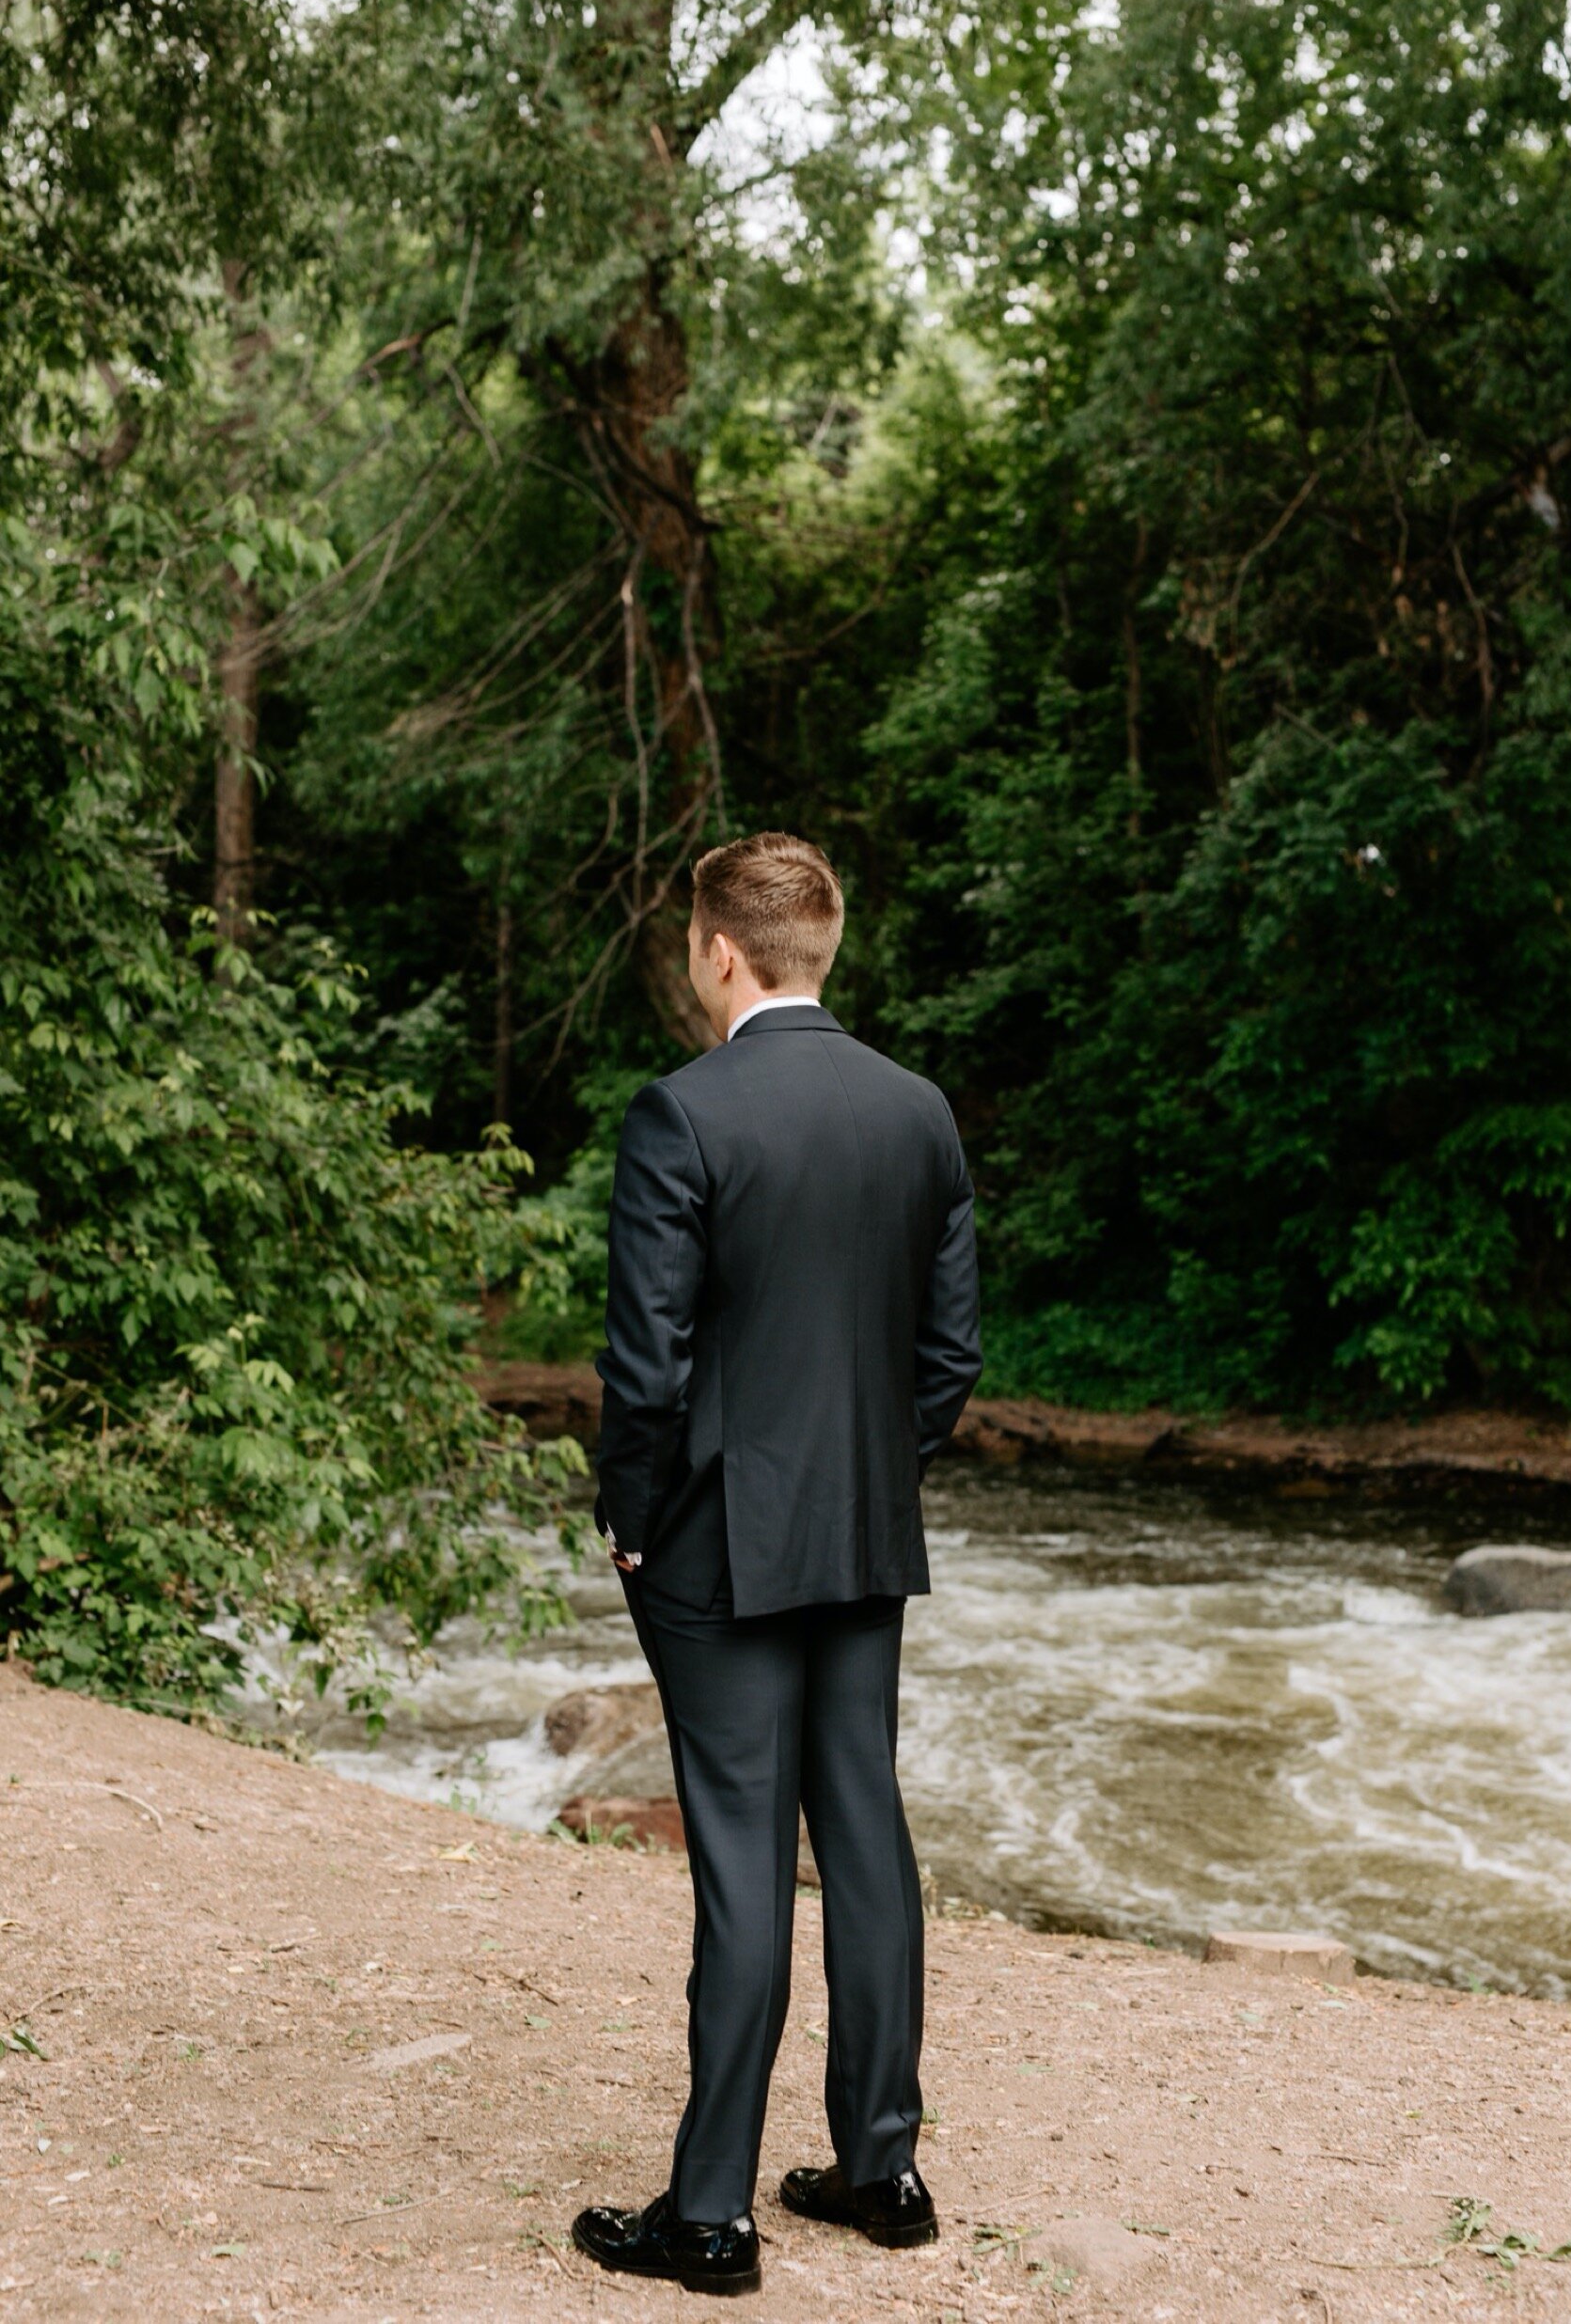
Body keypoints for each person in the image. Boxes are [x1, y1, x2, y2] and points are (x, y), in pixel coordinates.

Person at [572, 831, 982, 2299]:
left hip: (718, 1545)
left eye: (694, 942)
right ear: (826, 943)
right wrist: (869, 1476)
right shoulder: (919, 1113)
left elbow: (649, 1368)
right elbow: (948, 1363)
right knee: (864, 1831)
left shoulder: (682, 1115)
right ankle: (880, 2171)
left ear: (718, 949)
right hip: (864, 1532)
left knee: (743, 1857)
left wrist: (632, 1518)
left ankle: (710, 2217)